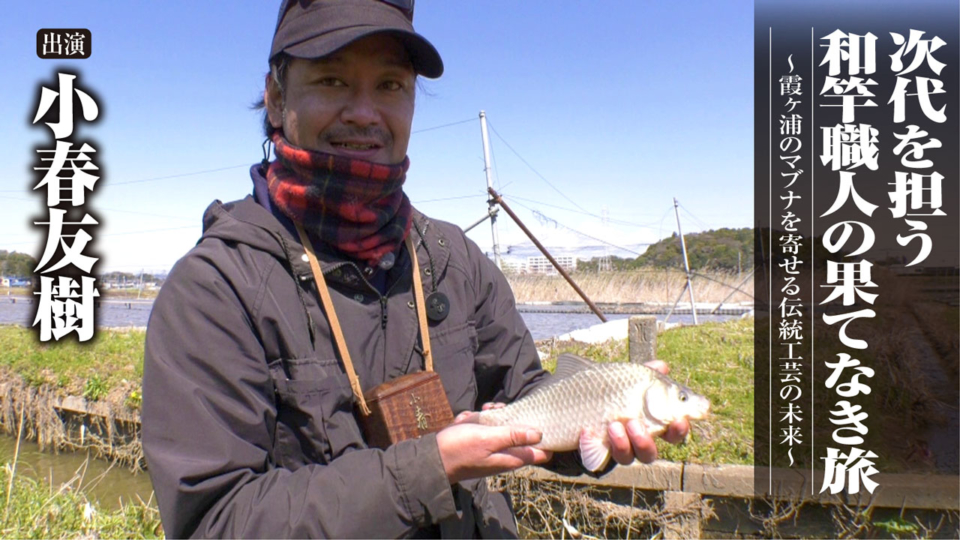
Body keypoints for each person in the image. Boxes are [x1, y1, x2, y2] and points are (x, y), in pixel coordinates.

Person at [142, 0, 689, 537]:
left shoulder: (454, 259)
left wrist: (598, 415)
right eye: (332, 81)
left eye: (390, 85)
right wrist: (432, 467)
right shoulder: (213, 289)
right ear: (276, 97)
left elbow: (528, 394)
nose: (363, 112)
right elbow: (214, 521)